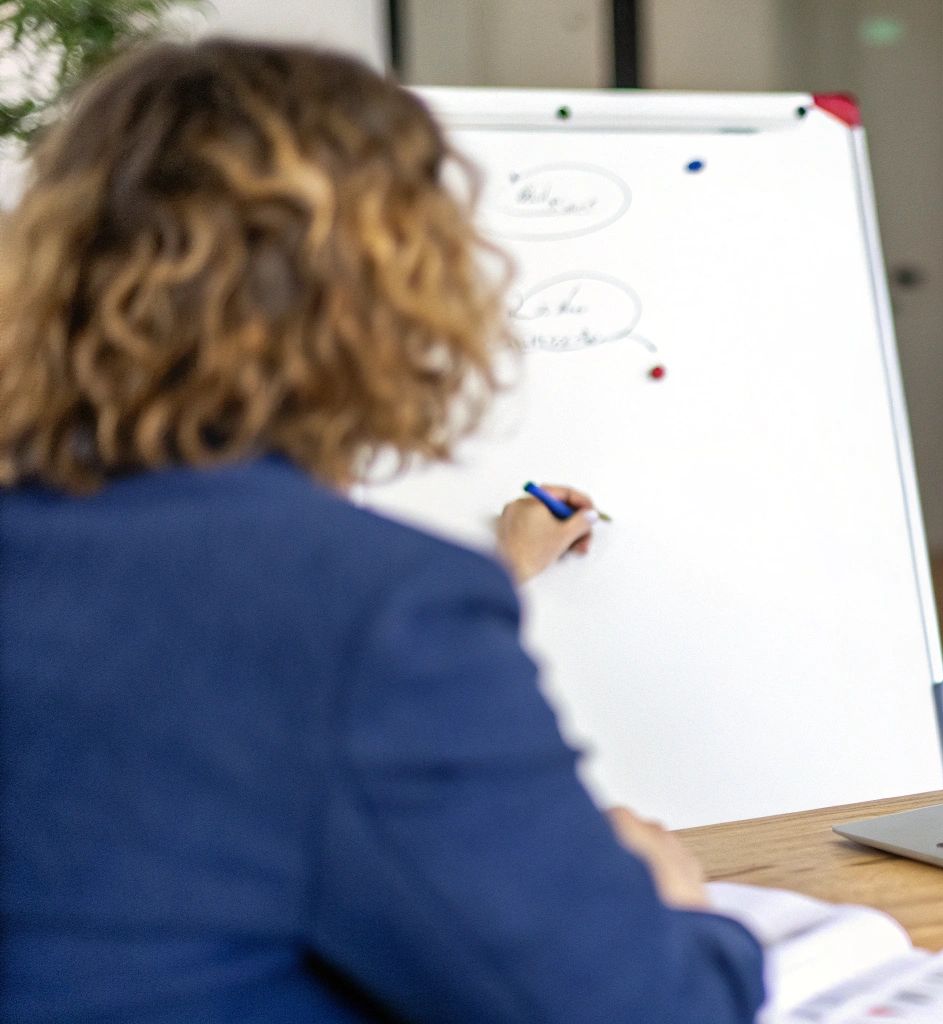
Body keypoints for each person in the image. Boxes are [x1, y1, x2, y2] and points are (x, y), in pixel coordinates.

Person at [0, 39, 764, 1022]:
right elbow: (632, 1004)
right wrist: (678, 908)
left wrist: (502, 565)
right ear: (392, 294)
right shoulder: (375, 612)